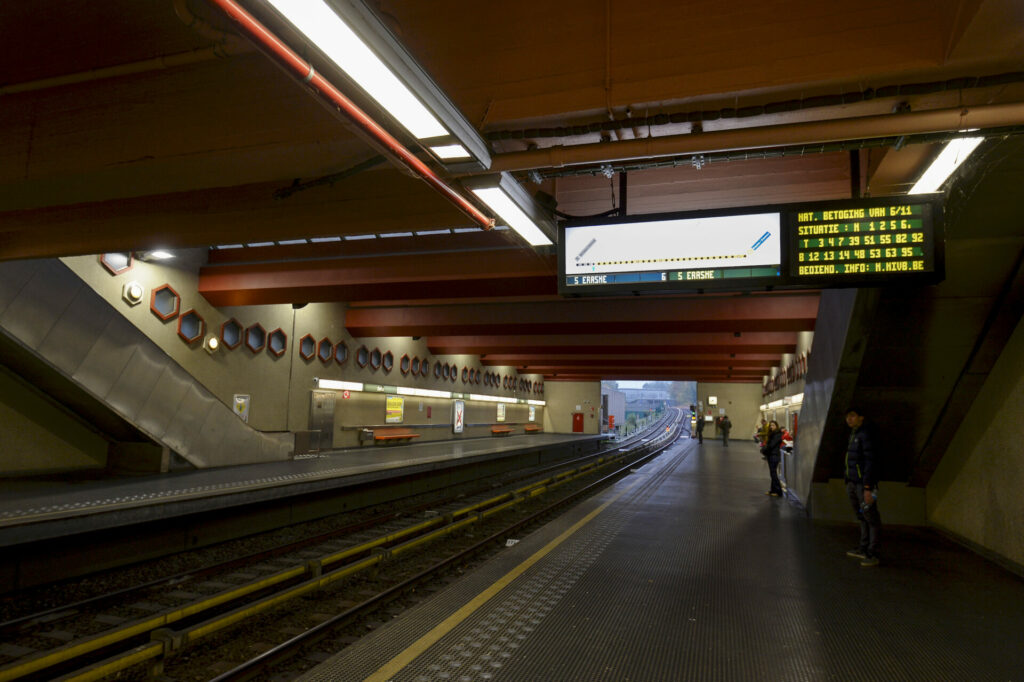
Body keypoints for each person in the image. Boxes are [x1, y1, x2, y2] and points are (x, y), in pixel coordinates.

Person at [844, 407, 881, 567]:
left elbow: (870, 461)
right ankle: (863, 547)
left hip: (863, 485)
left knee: (871, 517)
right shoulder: (854, 435)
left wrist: (867, 487)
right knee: (861, 515)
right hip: (853, 482)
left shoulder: (866, 435)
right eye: (847, 417)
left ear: (861, 417)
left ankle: (873, 552)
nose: (849, 419)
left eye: (853, 416)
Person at [761, 420, 784, 496]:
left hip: (774, 456)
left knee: (773, 474)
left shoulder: (777, 435)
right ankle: (773, 490)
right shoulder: (773, 434)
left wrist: (764, 449)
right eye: (770, 425)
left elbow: (771, 445)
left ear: (776, 426)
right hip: (771, 455)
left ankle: (778, 491)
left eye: (773, 425)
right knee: (772, 473)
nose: (771, 427)